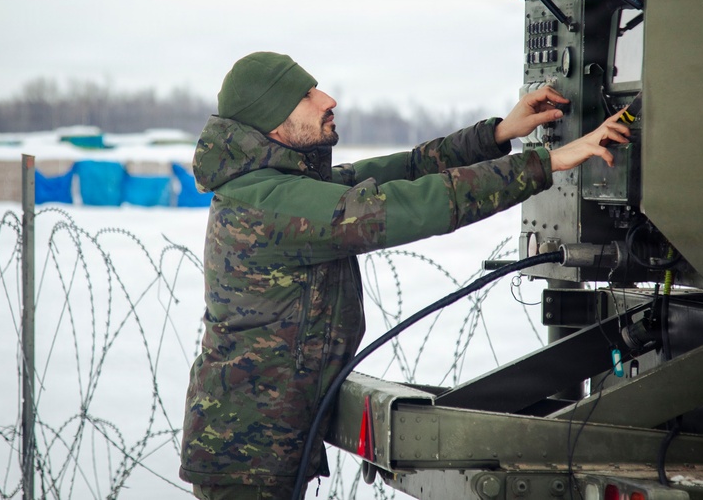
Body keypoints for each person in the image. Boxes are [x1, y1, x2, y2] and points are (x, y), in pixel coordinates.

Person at [179, 51, 631, 500]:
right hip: (248, 455)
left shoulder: (272, 187)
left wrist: (496, 134)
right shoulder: (273, 204)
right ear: (272, 122)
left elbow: (407, 169)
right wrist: (546, 163)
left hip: (257, 443)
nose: (327, 99)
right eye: (305, 95)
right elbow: (405, 205)